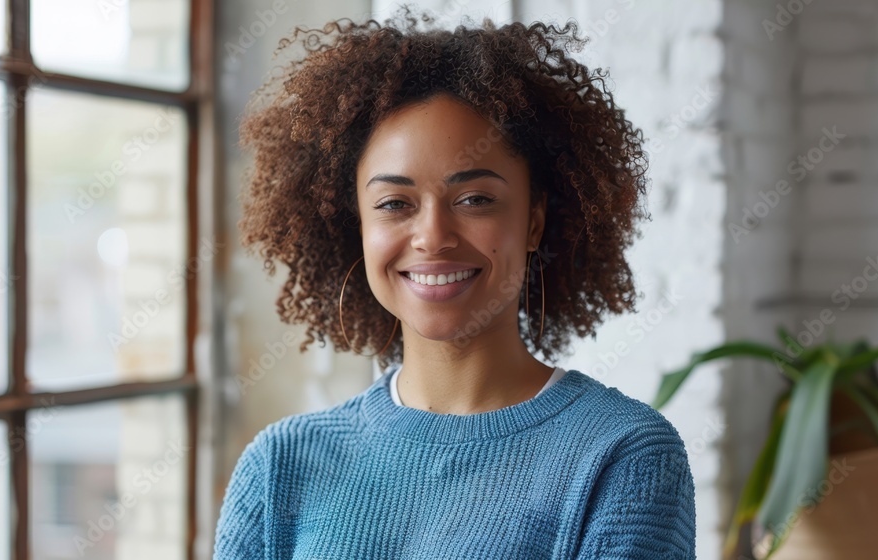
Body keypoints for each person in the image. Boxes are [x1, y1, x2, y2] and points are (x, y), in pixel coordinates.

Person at [215, 5, 695, 559]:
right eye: (394, 204)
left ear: (534, 219)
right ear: (358, 227)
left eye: (475, 200)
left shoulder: (624, 456)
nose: (433, 236)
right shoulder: (280, 466)